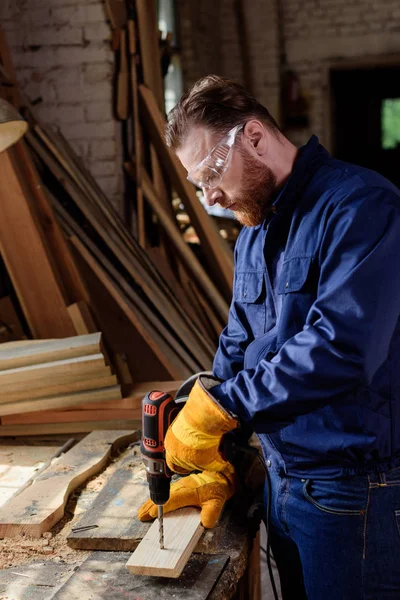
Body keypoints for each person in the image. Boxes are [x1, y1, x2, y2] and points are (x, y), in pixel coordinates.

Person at [138, 75, 400, 599]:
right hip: (283, 483)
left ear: (254, 137)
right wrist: (218, 448)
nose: (209, 194)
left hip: (353, 493)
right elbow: (237, 343)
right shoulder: (254, 233)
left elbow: (341, 348)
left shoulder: (361, 207)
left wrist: (226, 408)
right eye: (197, 184)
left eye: (210, 171)